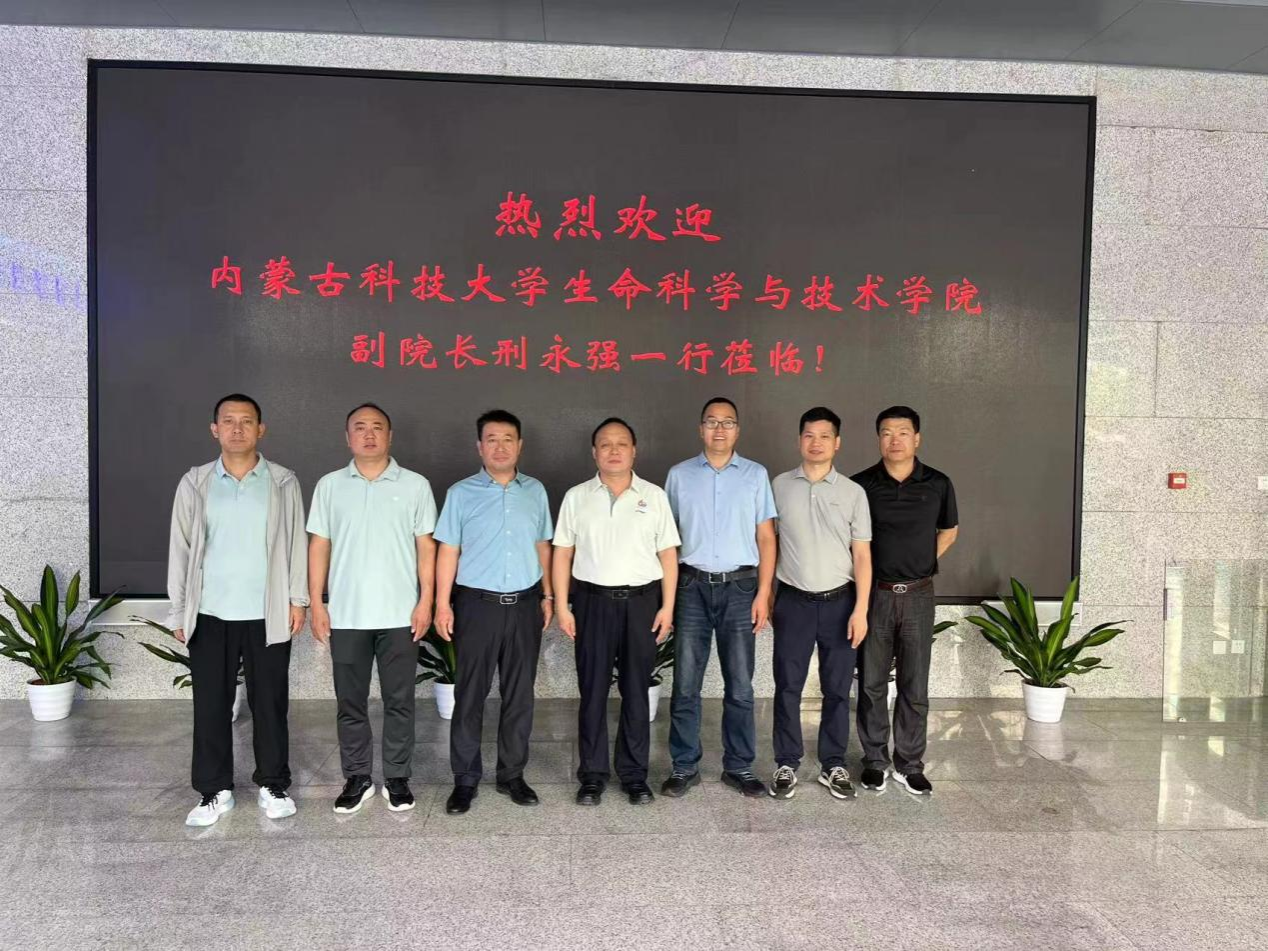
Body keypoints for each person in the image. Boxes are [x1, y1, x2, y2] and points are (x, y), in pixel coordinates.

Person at [168, 393, 308, 827]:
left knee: (270, 703)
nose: (237, 429)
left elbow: (296, 543)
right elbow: (180, 549)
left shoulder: (283, 481)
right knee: (211, 704)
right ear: (215, 429)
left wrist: (297, 599)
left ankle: (273, 784)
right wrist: (179, 611)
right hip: (210, 612)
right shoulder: (195, 482)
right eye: (228, 421)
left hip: (267, 611)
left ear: (260, 429)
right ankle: (214, 790)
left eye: (247, 421)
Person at [307, 403, 437, 814]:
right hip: (346, 616)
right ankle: (358, 777)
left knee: (400, 700)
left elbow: (426, 548)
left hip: (401, 615)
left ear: (389, 436)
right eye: (359, 428)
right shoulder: (330, 486)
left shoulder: (415, 485)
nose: (368, 434)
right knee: (350, 702)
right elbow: (319, 545)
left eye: (377, 427)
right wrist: (317, 603)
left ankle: (397, 778)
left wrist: (426, 601)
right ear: (347, 437)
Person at [552, 418, 680, 806]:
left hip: (642, 604)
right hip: (591, 603)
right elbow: (563, 553)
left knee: (636, 691)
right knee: (592, 691)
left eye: (621, 443)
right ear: (594, 452)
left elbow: (668, 554)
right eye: (605, 444)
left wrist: (667, 607)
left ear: (634, 451)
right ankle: (592, 775)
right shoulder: (577, 497)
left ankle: (634, 774)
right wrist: (562, 606)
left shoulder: (654, 496)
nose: (613, 450)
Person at [433, 410, 554, 816]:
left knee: (519, 694)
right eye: (492, 439)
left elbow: (543, 546)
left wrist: (549, 596)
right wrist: (442, 603)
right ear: (479, 447)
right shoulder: (460, 493)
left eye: (508, 439)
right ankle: (465, 779)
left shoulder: (535, 491)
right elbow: (448, 550)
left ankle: (511, 774)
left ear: (520, 445)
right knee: (470, 694)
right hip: (476, 606)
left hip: (524, 605)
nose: (500, 447)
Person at [660, 397, 776, 799]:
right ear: (701, 429)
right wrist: (667, 597)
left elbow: (766, 537)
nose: (719, 429)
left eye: (727, 422)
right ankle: (684, 766)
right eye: (712, 422)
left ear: (737, 430)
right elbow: (666, 540)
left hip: (741, 588)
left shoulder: (756, 475)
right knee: (685, 684)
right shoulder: (679, 476)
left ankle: (739, 766)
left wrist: (764, 593)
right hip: (691, 587)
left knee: (740, 684)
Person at [852, 406, 958, 796]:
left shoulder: (938, 483)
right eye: (886, 432)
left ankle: (909, 763)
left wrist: (922, 562)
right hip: (875, 594)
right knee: (872, 683)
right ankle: (875, 761)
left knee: (915, 683)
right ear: (878, 438)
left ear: (917, 438)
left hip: (918, 595)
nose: (894, 440)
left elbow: (949, 530)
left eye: (902, 432)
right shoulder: (861, 485)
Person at [768, 407, 872, 801]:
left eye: (825, 436)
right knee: (787, 685)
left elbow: (862, 555)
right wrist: (767, 594)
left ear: (837, 443)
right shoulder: (779, 486)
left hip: (841, 603)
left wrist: (861, 609)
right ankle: (786, 762)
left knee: (837, 688)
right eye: (809, 435)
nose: (816, 443)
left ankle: (833, 764)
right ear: (800, 440)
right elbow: (768, 543)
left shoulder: (853, 493)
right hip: (792, 601)